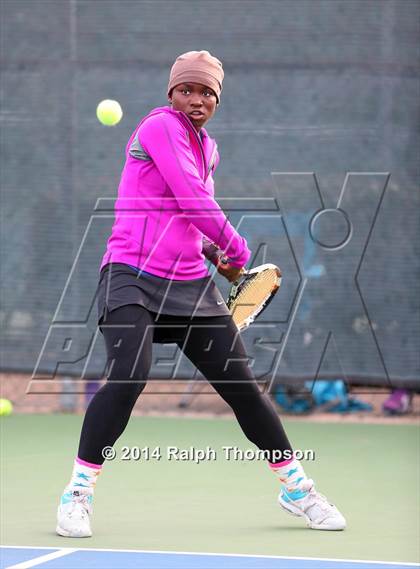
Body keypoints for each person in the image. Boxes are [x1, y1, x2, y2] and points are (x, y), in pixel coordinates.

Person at [56, 50, 346, 537]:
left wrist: (215, 252)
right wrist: (234, 244)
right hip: (131, 272)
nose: (196, 99)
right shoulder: (159, 126)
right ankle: (78, 493)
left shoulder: (208, 148)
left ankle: (297, 489)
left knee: (244, 391)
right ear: (171, 93)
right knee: (129, 376)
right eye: (186, 90)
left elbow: (185, 213)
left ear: (217, 100)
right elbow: (193, 196)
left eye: (206, 92)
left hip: (190, 282)